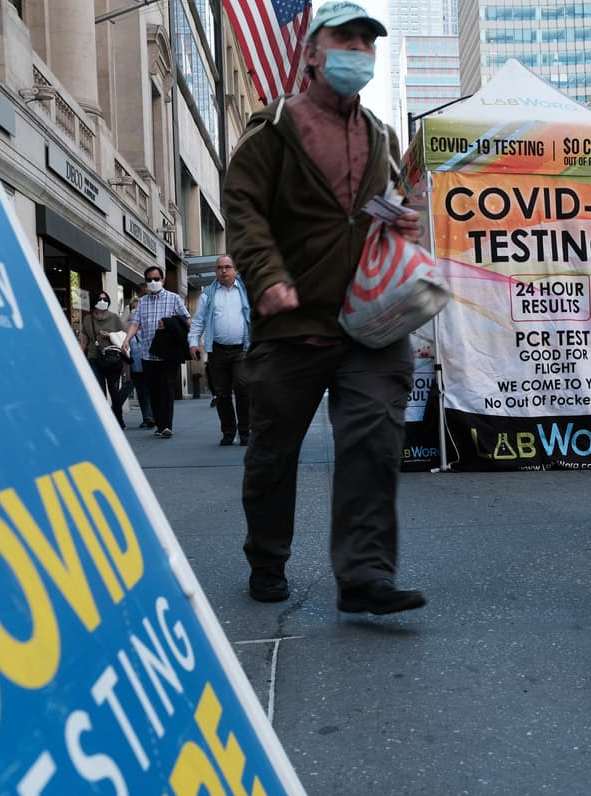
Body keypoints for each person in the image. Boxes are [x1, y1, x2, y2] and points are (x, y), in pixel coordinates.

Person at [223, 0, 426, 616]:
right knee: (274, 453)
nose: (358, 53)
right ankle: (266, 557)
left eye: (368, 44)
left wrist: (402, 221)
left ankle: (365, 576)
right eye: (346, 40)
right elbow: (243, 208)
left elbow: (384, 205)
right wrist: (266, 276)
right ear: (312, 52)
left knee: (373, 442)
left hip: (370, 323)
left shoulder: (383, 137)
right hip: (291, 324)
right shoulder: (272, 128)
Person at [189, 255, 251, 446]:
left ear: (235, 270)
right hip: (217, 350)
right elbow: (199, 320)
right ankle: (228, 431)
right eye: (219, 268)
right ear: (216, 271)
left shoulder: (246, 291)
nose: (223, 271)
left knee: (242, 387)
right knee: (222, 393)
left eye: (227, 267)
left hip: (242, 349)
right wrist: (193, 342)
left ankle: (245, 431)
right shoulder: (209, 293)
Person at [123, 265, 189, 438]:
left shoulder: (174, 299)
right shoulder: (142, 302)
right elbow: (135, 324)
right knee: (153, 390)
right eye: (149, 280)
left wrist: (191, 338)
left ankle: (166, 425)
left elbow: (187, 319)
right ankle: (160, 424)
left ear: (163, 280)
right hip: (147, 353)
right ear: (145, 283)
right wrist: (126, 339)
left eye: (156, 279)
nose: (153, 282)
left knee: (167, 387)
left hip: (168, 353)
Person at [80, 292, 126, 427]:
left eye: (105, 299)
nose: (102, 301)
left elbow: (123, 336)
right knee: (99, 391)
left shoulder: (114, 318)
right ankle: (104, 422)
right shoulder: (87, 319)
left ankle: (118, 419)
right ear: (94, 302)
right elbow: (84, 341)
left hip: (112, 358)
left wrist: (110, 335)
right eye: (100, 299)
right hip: (94, 358)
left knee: (114, 390)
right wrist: (79, 358)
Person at [124, 284, 155, 429]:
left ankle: (153, 416)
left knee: (151, 390)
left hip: (150, 361)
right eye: (133, 309)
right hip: (136, 364)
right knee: (142, 392)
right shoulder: (129, 327)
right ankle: (148, 417)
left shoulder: (149, 326)